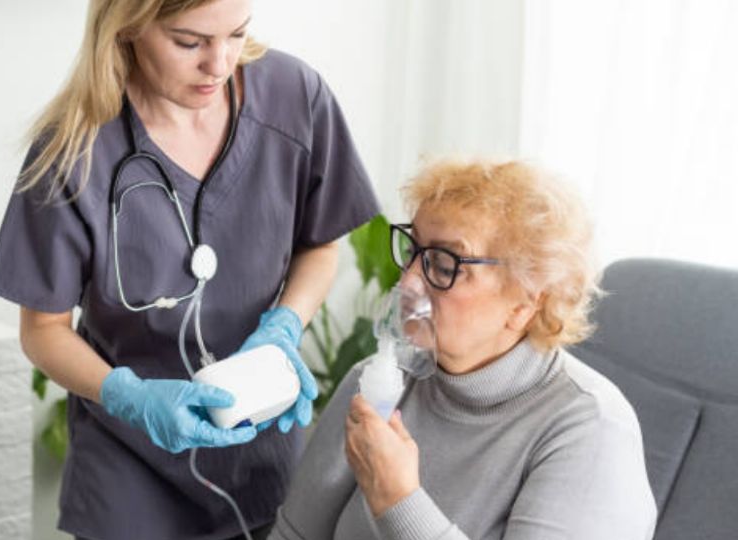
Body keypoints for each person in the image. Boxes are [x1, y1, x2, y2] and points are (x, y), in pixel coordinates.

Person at [0, 0, 379, 538]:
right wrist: (130, 396)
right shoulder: (72, 149)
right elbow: (43, 330)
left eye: (236, 34)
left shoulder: (294, 97)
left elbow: (320, 245)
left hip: (258, 445)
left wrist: (285, 325)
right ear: (129, 26)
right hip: (127, 464)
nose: (219, 63)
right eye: (189, 42)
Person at [268, 159, 657, 540]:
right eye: (413, 251)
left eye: (443, 263)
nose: (408, 282)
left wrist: (398, 500)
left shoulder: (590, 430)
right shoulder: (377, 382)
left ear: (525, 303)